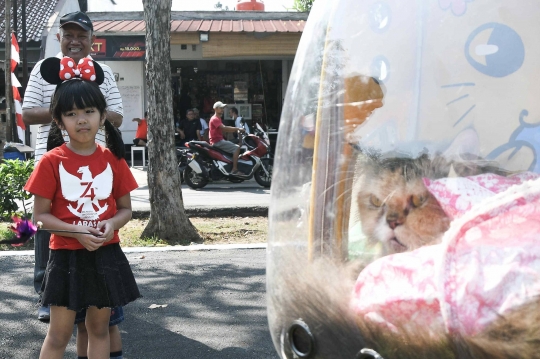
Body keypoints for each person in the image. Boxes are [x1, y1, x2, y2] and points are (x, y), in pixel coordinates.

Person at [21, 10, 126, 359]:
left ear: (92, 37)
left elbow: (118, 114)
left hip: (96, 166)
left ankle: (109, 309)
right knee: (51, 242)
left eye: (81, 34)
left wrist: (88, 104)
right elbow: (27, 112)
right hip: (52, 161)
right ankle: (48, 299)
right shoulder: (43, 68)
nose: (75, 40)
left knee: (99, 320)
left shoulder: (104, 72)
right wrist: (65, 102)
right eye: (68, 34)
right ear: (60, 38)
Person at [209, 101, 245, 175]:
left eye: (223, 108)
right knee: (237, 148)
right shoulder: (215, 119)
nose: (222, 110)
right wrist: (237, 129)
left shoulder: (218, 118)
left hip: (219, 140)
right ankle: (234, 170)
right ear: (215, 109)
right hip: (217, 142)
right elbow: (224, 128)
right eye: (221, 108)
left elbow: (224, 129)